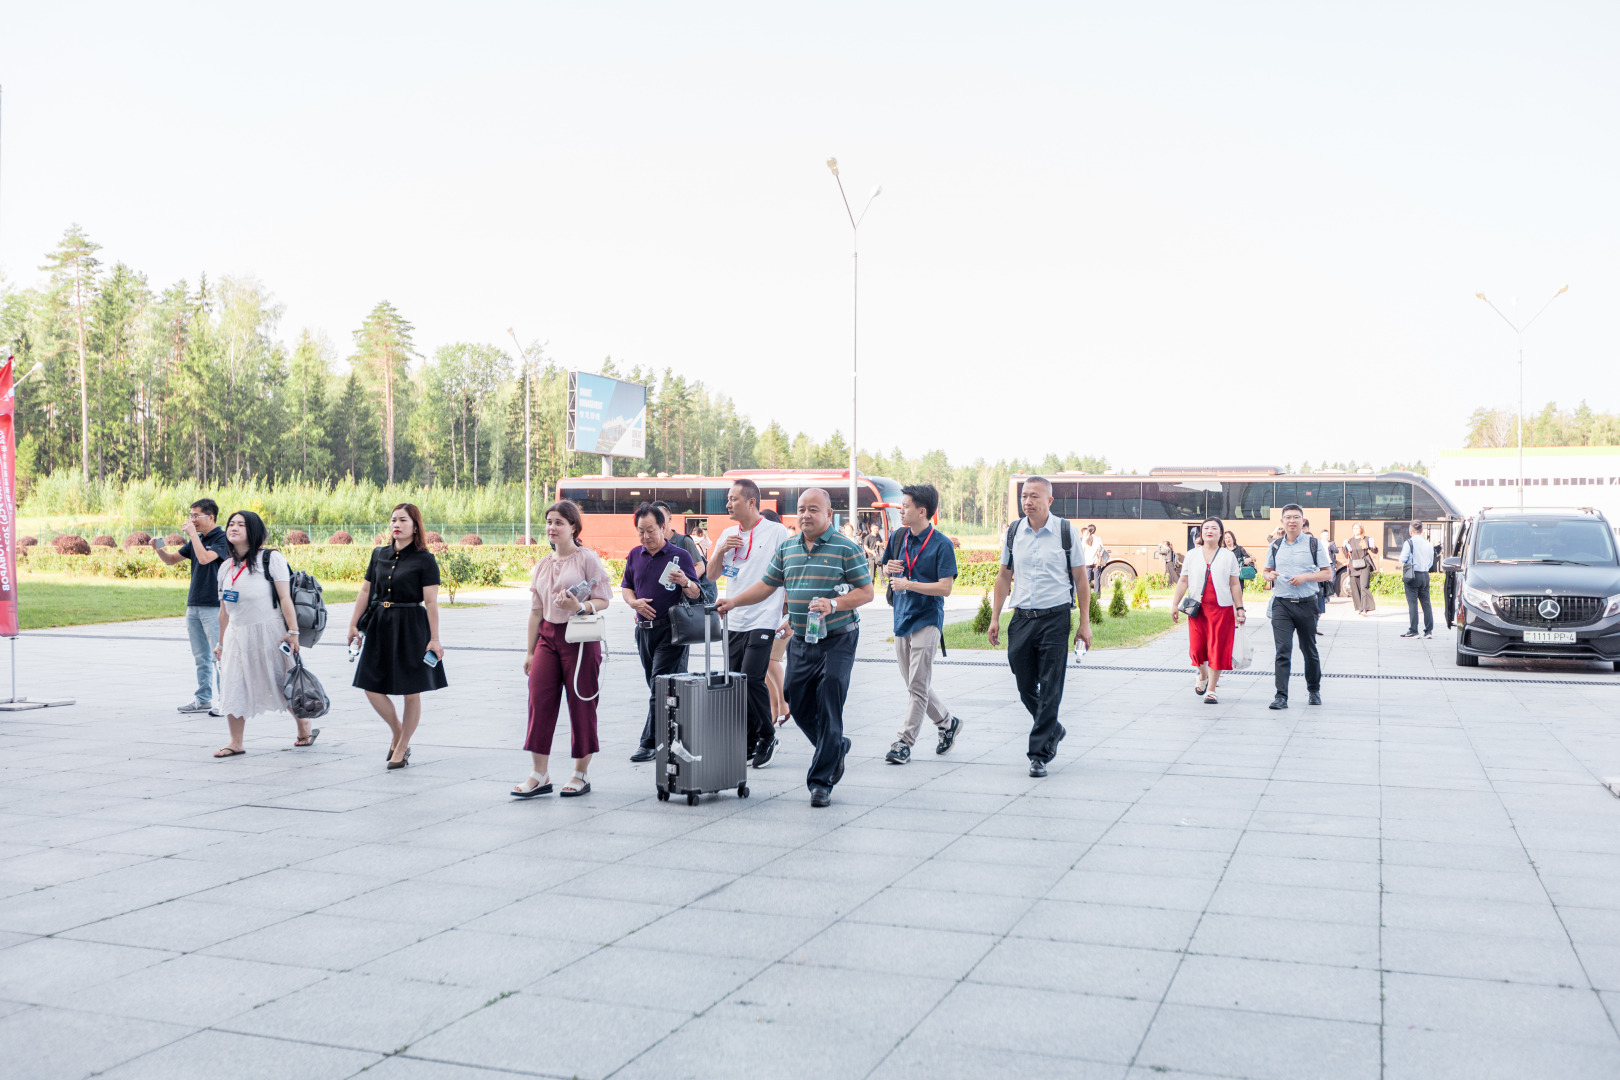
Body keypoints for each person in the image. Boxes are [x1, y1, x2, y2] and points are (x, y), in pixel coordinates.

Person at [718, 488, 873, 807]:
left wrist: (834, 603)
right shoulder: (788, 548)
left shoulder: (846, 548)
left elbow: (867, 592)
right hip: (802, 637)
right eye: (802, 509)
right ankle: (834, 747)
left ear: (829, 514)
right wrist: (734, 601)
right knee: (796, 700)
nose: (806, 515)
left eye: (813, 509)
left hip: (839, 636)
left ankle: (821, 781)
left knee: (830, 693)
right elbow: (766, 585)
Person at [988, 476, 1093, 777]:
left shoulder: (1064, 531)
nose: (1027, 501)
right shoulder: (1013, 532)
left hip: (1055, 618)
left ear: (1049, 500)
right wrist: (995, 616)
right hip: (1021, 618)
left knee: (1050, 685)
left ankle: (1039, 754)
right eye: (1024, 496)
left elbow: (1081, 579)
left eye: (1034, 496)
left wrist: (1084, 623)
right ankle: (1053, 729)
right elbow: (1003, 577)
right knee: (1024, 684)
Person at [513, 500, 612, 799]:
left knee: (582, 705)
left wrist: (580, 606)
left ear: (573, 527)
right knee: (538, 702)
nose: (552, 528)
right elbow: (535, 611)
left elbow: (604, 599)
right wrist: (529, 652)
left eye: (558, 522)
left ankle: (580, 773)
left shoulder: (587, 559)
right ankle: (539, 774)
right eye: (549, 522)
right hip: (547, 637)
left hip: (579, 640)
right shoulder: (542, 564)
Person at [348, 503, 447, 769]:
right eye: (393, 520)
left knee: (410, 691)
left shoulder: (425, 559)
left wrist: (434, 638)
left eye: (403, 520)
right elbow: (365, 591)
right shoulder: (379, 553)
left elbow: (432, 602)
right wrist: (353, 624)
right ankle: (398, 731)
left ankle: (402, 747)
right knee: (369, 684)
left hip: (412, 626)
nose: (396, 524)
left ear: (415, 526)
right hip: (380, 624)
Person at [209, 511, 312, 757]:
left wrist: (293, 632)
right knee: (233, 684)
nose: (233, 528)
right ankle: (236, 741)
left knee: (283, 681)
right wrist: (221, 644)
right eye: (231, 524)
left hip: (270, 631)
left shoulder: (270, 558)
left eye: (240, 524)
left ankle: (304, 726)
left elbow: (285, 598)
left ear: (253, 530)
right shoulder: (225, 567)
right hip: (237, 634)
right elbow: (224, 612)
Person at [706, 478, 791, 768]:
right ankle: (749, 739)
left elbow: (790, 571)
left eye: (733, 499)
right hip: (733, 619)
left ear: (752, 502)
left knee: (753, 678)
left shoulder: (776, 531)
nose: (728, 504)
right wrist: (719, 551)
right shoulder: (727, 533)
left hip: (764, 618)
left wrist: (789, 614)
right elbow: (711, 575)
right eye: (728, 499)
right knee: (736, 683)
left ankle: (768, 735)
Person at [880, 483, 964, 764]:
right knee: (916, 684)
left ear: (922, 511)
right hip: (901, 617)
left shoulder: (941, 544)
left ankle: (904, 742)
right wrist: (888, 569)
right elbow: (886, 569)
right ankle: (947, 723)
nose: (900, 510)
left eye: (905, 506)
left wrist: (910, 584)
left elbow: (945, 588)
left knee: (917, 684)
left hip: (927, 619)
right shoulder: (898, 536)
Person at [624, 502, 703, 761]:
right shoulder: (635, 554)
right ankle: (677, 733)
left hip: (672, 633)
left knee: (660, 685)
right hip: (644, 632)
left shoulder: (680, 555)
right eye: (640, 531)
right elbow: (626, 587)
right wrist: (633, 602)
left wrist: (685, 582)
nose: (645, 537)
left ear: (663, 527)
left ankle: (648, 742)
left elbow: (696, 593)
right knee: (657, 687)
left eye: (650, 530)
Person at [155, 499, 231, 717]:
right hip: (194, 604)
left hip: (215, 606)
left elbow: (206, 558)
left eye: (196, 515)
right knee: (201, 656)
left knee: (220, 654)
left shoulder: (222, 538)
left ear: (211, 517)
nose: (192, 520)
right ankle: (203, 698)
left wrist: (192, 536)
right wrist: (159, 549)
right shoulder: (198, 539)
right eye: (191, 515)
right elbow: (171, 560)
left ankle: (225, 700)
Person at [1263, 504, 1333, 709]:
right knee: (1282, 650)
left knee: (1308, 649)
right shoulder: (1275, 546)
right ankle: (1281, 696)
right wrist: (1270, 575)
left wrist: (1305, 578)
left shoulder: (1313, 544)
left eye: (1296, 517)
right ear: (1282, 522)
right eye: (1288, 517)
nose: (1291, 521)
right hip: (1281, 605)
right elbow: (1266, 571)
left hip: (1307, 604)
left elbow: (1327, 573)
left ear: (1302, 521)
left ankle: (1314, 690)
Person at [1171, 518, 1247, 704]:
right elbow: (1183, 581)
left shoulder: (1228, 556)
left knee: (1217, 649)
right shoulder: (1191, 555)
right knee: (1197, 649)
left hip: (1221, 610)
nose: (1210, 531)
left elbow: (1235, 584)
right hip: (1197, 610)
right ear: (1201, 533)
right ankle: (1202, 674)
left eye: (1214, 528)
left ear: (1221, 533)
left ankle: (1211, 689)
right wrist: (1175, 604)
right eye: (1206, 528)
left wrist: (1239, 609)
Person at [760, 509, 791, 727]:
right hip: (765, 612)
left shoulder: (784, 549)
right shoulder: (764, 550)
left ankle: (784, 703)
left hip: (785, 612)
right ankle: (773, 708)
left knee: (771, 659)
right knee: (763, 665)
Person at [1399, 521, 1435, 639]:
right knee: (1426, 603)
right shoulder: (1429, 544)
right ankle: (1428, 631)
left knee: (1413, 603)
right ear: (1422, 530)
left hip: (1413, 574)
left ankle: (1414, 630)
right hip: (1425, 574)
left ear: (1410, 531)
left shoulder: (1408, 542)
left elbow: (1403, 559)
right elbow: (1430, 562)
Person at [1343, 523, 1379, 616]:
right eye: (1354, 528)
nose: (1355, 530)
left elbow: (1374, 551)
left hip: (1364, 565)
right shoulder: (1349, 541)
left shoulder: (1366, 539)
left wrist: (1374, 546)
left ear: (1361, 529)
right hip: (1354, 566)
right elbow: (1345, 554)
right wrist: (1344, 545)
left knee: (1364, 586)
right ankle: (1360, 607)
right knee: (1355, 588)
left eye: (1357, 528)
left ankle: (1364, 609)